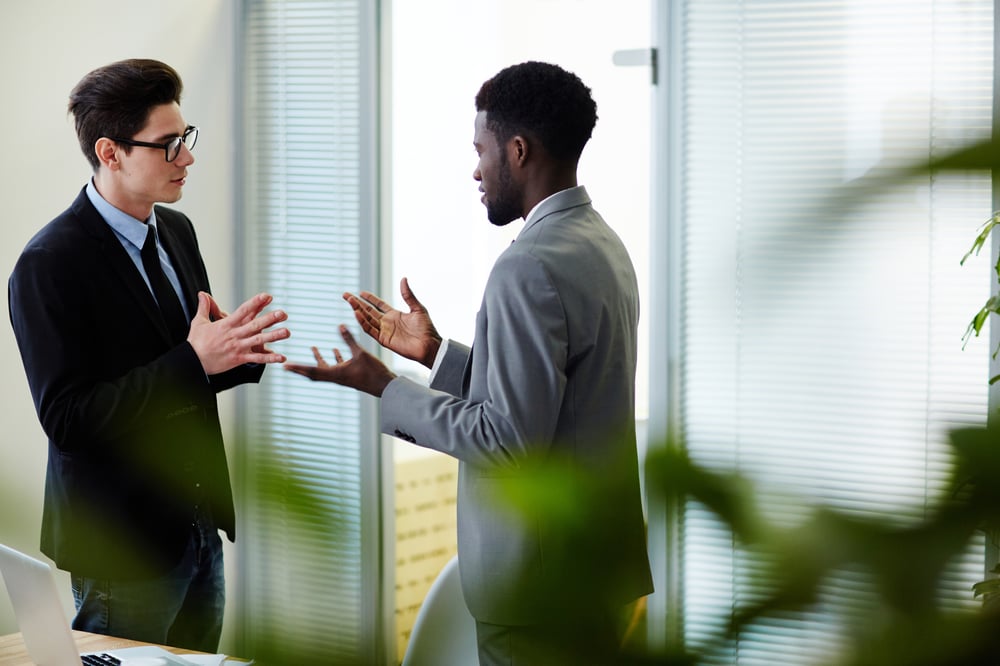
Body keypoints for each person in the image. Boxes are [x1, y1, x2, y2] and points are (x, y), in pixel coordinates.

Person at [285, 61, 653, 664]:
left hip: (539, 594)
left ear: (517, 150)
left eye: (480, 150)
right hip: (595, 577)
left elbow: (508, 441)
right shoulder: (601, 243)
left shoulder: (526, 266)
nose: (475, 169)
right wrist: (435, 355)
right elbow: (550, 399)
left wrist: (386, 387)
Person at [8, 59, 290, 652]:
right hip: (122, 549)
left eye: (184, 139)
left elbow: (187, 368)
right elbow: (69, 419)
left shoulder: (177, 232)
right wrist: (195, 360)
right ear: (110, 152)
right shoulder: (49, 265)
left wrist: (243, 351)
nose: (186, 158)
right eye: (168, 146)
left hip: (196, 529)